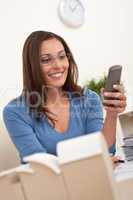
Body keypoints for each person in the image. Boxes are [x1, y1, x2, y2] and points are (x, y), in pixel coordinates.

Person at [3, 31, 126, 162]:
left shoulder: (89, 99)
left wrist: (112, 114)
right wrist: (90, 165)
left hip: (90, 178)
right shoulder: (15, 112)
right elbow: (42, 166)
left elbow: (103, 150)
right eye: (46, 60)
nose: (58, 66)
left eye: (62, 56)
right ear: (32, 67)